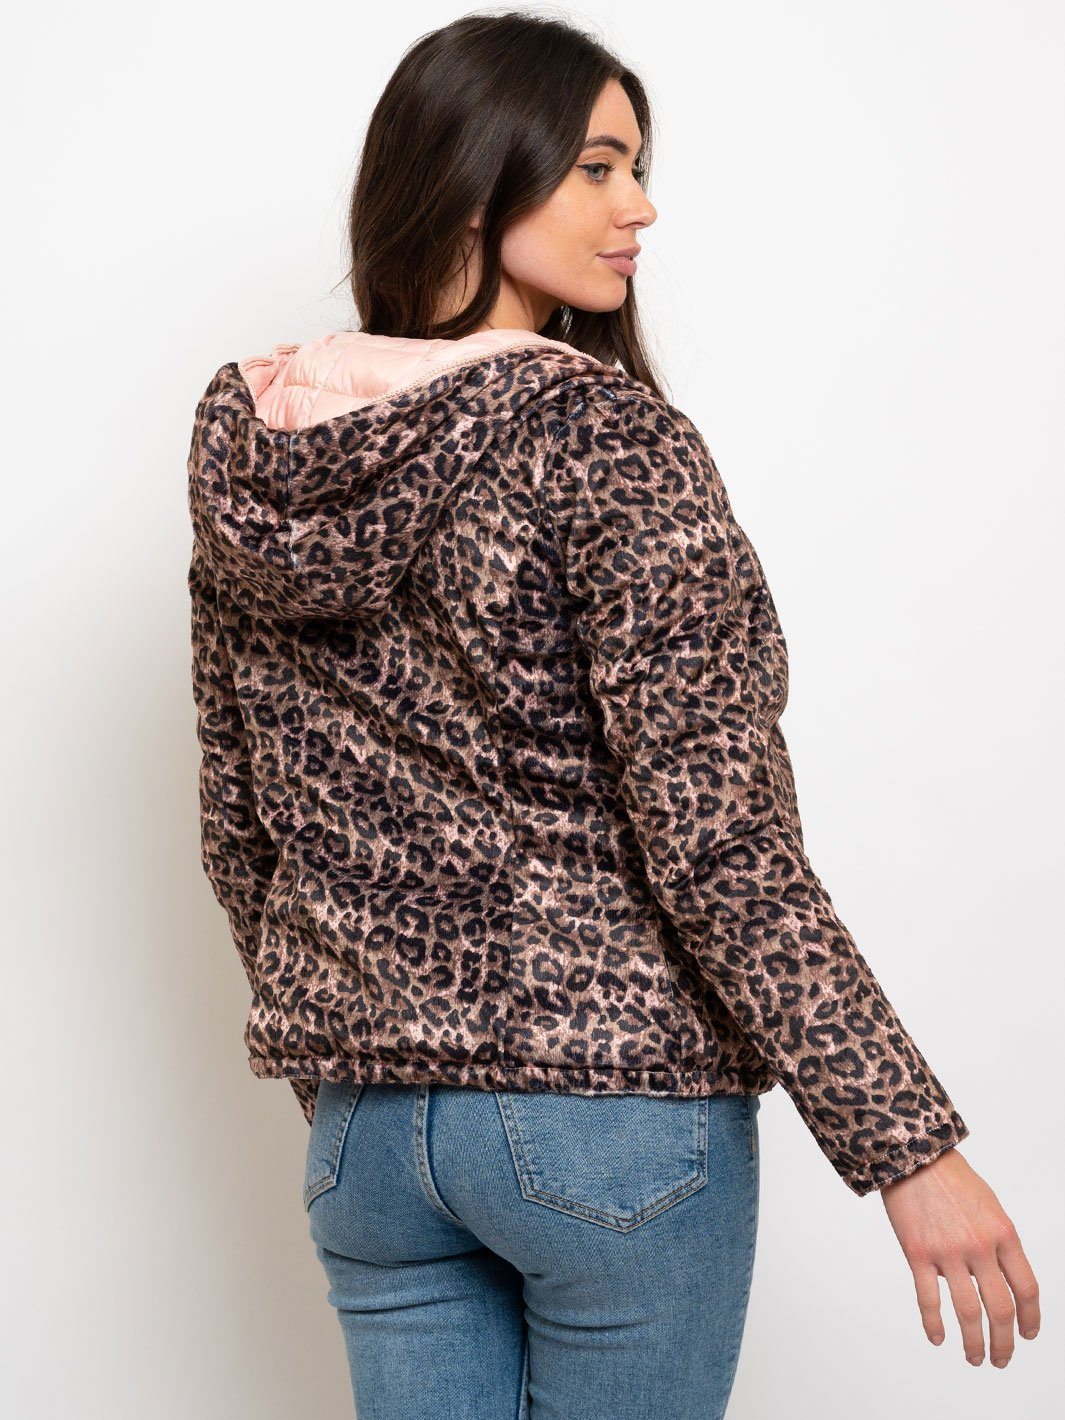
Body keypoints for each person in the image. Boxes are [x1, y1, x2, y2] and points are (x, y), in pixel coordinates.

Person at [186, 11, 1040, 1418]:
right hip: (608, 1116)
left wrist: (373, 1069)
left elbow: (241, 834)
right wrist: (907, 1148)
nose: (638, 207)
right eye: (595, 167)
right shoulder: (603, 436)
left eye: (636, 167)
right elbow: (716, 837)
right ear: (472, 177)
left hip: (366, 1142)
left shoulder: (262, 453)